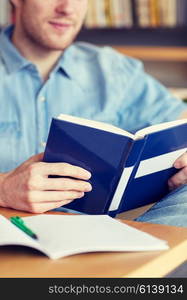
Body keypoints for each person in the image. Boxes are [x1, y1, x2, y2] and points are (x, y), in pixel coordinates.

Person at [0, 0, 187, 226]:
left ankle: (137, 254)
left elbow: (181, 122)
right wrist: (3, 189)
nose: (67, 9)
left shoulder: (113, 70)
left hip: (97, 237)